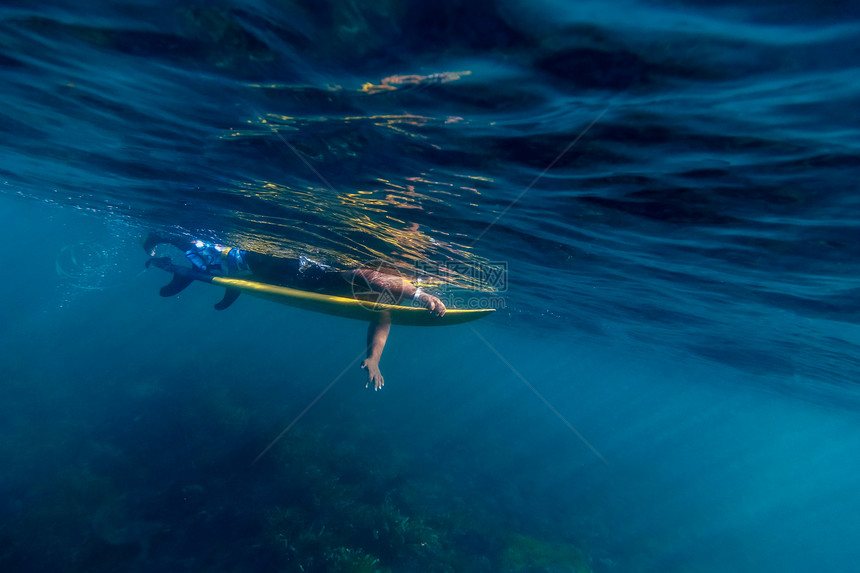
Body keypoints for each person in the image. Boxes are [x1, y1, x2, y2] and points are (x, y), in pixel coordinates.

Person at [143, 233, 446, 390]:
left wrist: (373, 359)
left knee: (231, 271)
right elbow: (368, 275)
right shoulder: (378, 276)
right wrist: (420, 295)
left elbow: (382, 318)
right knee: (223, 260)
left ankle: (223, 280)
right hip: (288, 266)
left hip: (281, 278)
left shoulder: (385, 293)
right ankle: (166, 237)